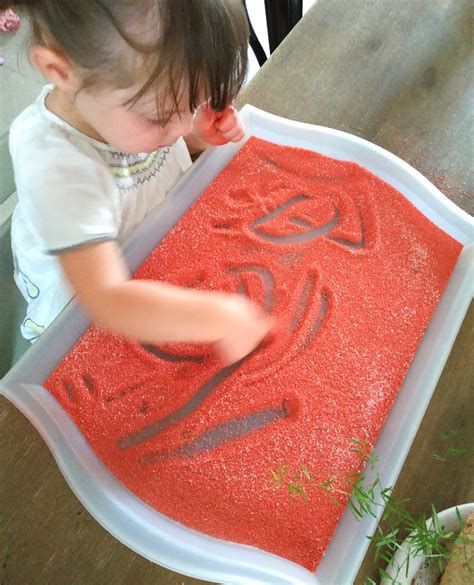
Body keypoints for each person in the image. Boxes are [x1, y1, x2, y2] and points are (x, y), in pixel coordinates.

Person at [4, 0, 274, 365]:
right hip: (80, 313)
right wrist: (219, 318)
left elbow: (158, 155)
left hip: (154, 244)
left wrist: (197, 140)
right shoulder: (54, 166)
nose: (179, 127)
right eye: (160, 117)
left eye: (192, 105)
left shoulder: (130, 109)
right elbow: (106, 298)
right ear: (60, 71)